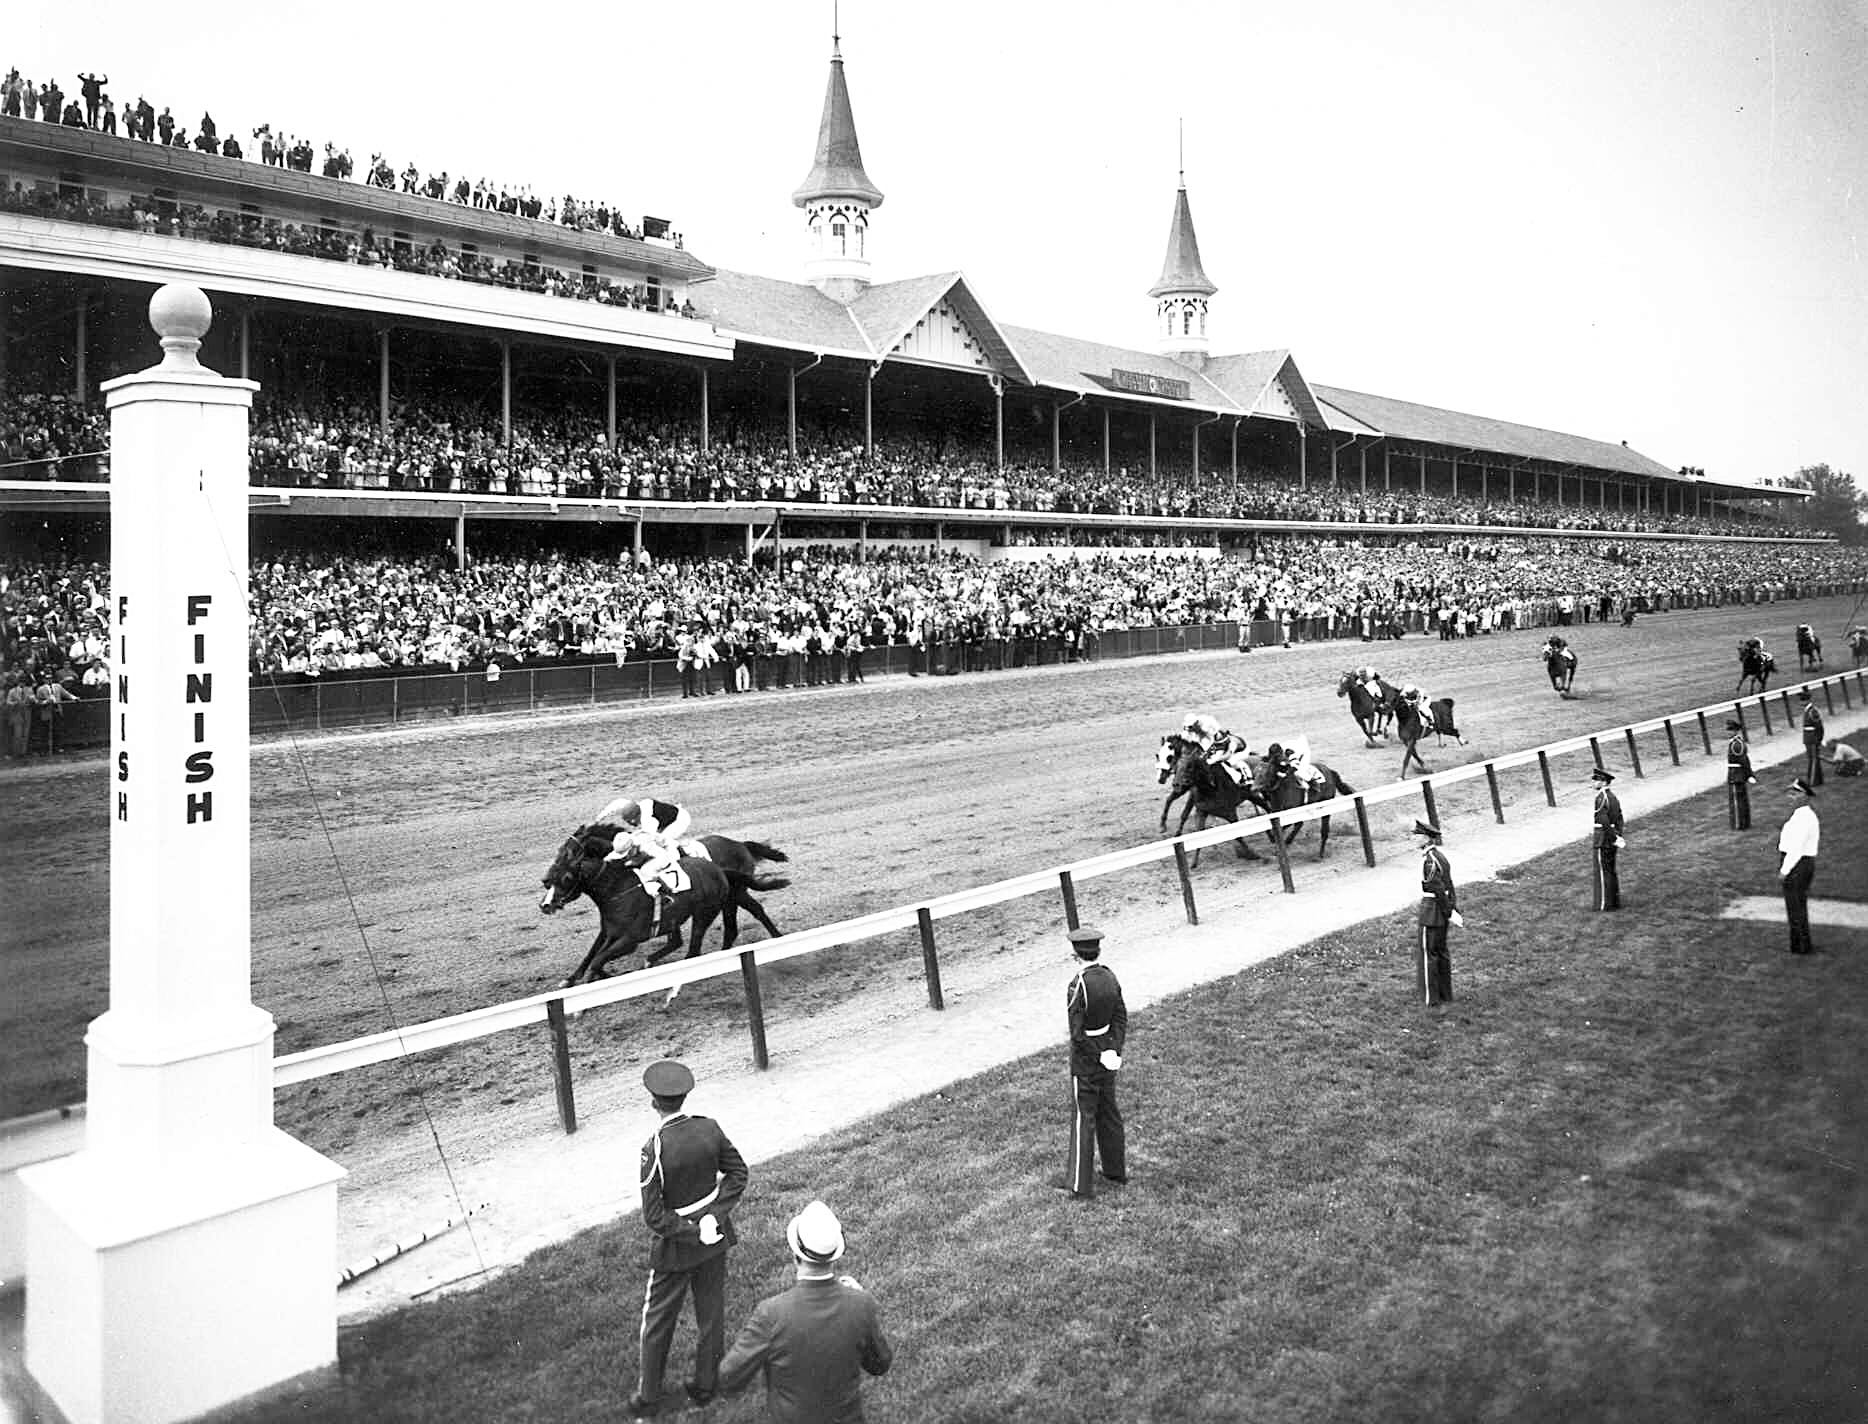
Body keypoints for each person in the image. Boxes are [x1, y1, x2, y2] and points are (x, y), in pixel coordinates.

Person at [629, 1059, 748, 1418]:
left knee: (658, 1319)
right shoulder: (709, 1128)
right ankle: (706, 1385)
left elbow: (654, 1216)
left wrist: (694, 1231)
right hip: (716, 1238)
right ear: (685, 1097)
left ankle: (648, 1397)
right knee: (711, 1313)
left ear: (654, 1102)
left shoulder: (655, 1147)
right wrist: (714, 1216)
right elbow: (737, 1173)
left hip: (678, 1247)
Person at [717, 1199, 894, 1423]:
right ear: (834, 1256)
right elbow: (880, 1364)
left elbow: (729, 1378)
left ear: (795, 1255)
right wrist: (861, 1301)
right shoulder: (861, 1304)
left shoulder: (770, 1314)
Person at [1052, 925, 1127, 1199]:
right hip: (1107, 1053)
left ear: (1076, 954)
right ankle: (1115, 1171)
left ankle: (1079, 1185)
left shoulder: (1077, 984)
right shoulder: (1110, 977)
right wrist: (1113, 1050)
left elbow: (1077, 1033)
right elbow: (1120, 1017)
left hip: (1086, 1061)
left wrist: (1097, 1054)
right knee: (1109, 1113)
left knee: (1084, 1118)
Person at [1415, 819, 1462, 1006]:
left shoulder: (1429, 862)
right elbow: (1450, 885)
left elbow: (1438, 890)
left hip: (1431, 912)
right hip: (1441, 912)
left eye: (1417, 836)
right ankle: (1445, 994)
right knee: (1442, 952)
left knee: (1428, 954)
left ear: (1426, 838)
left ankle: (1430, 998)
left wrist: (1448, 911)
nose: (1414, 839)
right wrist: (1452, 908)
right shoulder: (1440, 857)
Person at [1778, 778, 1820, 956]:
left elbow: (1797, 847)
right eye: (1791, 793)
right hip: (1798, 862)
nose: (1791, 797)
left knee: (1795, 906)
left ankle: (1801, 946)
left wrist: (1784, 870)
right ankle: (1798, 944)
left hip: (1798, 864)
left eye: (1795, 793)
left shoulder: (1805, 817)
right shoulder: (1800, 815)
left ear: (1805, 796)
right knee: (1796, 906)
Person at [1591, 766, 1624, 911]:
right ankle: (1614, 902)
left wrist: (1613, 838)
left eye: (1596, 780)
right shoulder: (1613, 797)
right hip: (1612, 837)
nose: (1594, 783)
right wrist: (1618, 835)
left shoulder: (1601, 798)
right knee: (1611, 870)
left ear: (1603, 782)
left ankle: (1605, 904)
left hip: (1603, 839)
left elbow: (1603, 821)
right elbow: (1619, 818)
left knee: (1603, 871)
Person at [1725, 718, 1756, 830]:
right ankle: (1744, 822)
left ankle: (1739, 824)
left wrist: (1749, 774)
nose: (1728, 732)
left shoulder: (1736, 744)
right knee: (1741, 800)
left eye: (1730, 730)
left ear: (1735, 731)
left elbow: (1743, 761)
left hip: (1736, 774)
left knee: (1737, 801)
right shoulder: (1737, 743)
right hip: (1738, 773)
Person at [1799, 690, 1825, 787]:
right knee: (1812, 758)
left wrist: (1819, 739)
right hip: (1808, 738)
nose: (1801, 702)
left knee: (1814, 759)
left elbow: (1819, 726)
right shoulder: (1807, 710)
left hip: (1812, 738)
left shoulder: (1812, 711)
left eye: (1803, 700)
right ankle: (1815, 779)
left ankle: (1813, 781)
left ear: (1808, 700)